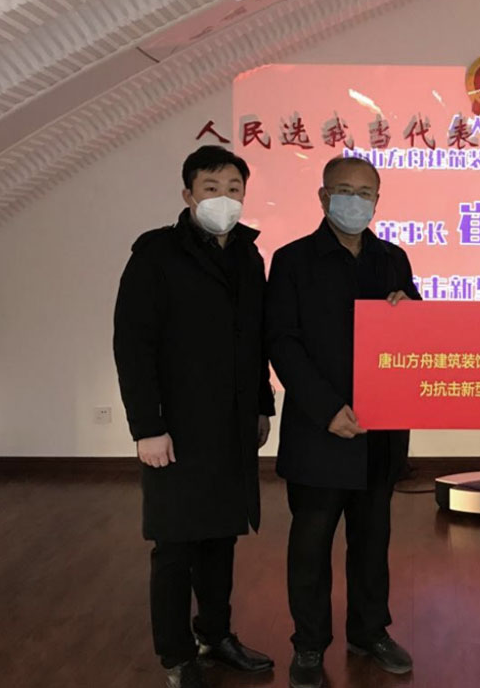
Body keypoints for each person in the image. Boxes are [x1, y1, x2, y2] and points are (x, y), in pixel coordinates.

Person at [113, 145, 275, 688]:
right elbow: (133, 345)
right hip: (175, 428)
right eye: (211, 188)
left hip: (231, 426)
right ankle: (177, 656)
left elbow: (254, 340)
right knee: (176, 544)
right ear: (188, 195)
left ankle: (216, 635)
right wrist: (147, 427)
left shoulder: (249, 255)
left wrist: (261, 405)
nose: (223, 198)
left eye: (233, 189)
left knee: (221, 537)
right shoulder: (156, 254)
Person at [266, 155, 421, 688]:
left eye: (365, 193)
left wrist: (410, 309)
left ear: (377, 201)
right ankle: (309, 645)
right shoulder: (292, 260)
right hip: (320, 429)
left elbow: (418, 331)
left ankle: (369, 631)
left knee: (373, 539)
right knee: (311, 544)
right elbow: (282, 342)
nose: (355, 202)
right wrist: (326, 408)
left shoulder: (392, 259)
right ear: (323, 196)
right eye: (344, 191)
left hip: (380, 431)